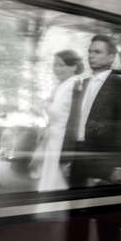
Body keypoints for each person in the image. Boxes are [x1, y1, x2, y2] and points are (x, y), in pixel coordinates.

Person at [39, 34, 121, 241]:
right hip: (78, 157)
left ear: (111, 56)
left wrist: (119, 166)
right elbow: (73, 123)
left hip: (105, 160)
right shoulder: (80, 84)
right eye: (90, 51)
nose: (92, 55)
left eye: (98, 52)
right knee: (76, 218)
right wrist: (66, 156)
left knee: (107, 222)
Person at [34, 50, 84, 192]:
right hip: (53, 139)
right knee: (49, 182)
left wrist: (44, 105)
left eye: (61, 65)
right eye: (54, 65)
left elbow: (62, 115)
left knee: (56, 184)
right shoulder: (61, 85)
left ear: (73, 67)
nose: (56, 69)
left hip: (62, 141)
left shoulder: (73, 85)